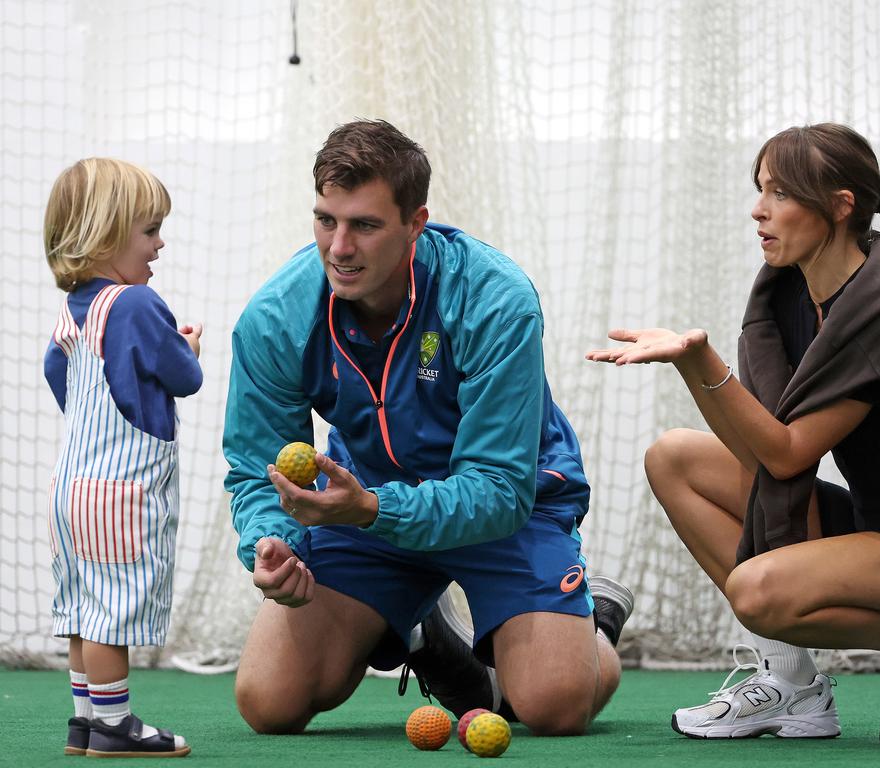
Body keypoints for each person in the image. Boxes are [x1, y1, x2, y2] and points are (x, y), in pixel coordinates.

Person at [587, 123, 880, 745]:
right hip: (871, 527)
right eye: (761, 190)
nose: (759, 210)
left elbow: (786, 455)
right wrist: (694, 367)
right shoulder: (791, 291)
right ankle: (792, 685)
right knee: (673, 458)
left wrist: (697, 362)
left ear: (840, 206)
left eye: (781, 194)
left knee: (756, 593)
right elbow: (757, 449)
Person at [223, 119, 633, 736]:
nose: (338, 247)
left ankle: (592, 617)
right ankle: (425, 626)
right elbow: (260, 469)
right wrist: (271, 541)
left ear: (416, 224)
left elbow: (499, 487)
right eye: (325, 220)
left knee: (552, 706)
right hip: (366, 508)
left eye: (364, 225)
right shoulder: (276, 318)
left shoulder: (495, 299)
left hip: (506, 510)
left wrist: (369, 508)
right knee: (269, 702)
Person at [43, 158, 203, 757]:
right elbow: (182, 376)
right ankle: (115, 726)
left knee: (86, 608)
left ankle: (85, 720)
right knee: (114, 609)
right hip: (122, 493)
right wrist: (188, 348)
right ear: (106, 233)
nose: (160, 243)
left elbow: (57, 374)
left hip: (71, 488)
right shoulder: (137, 304)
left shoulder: (74, 312)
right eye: (149, 229)